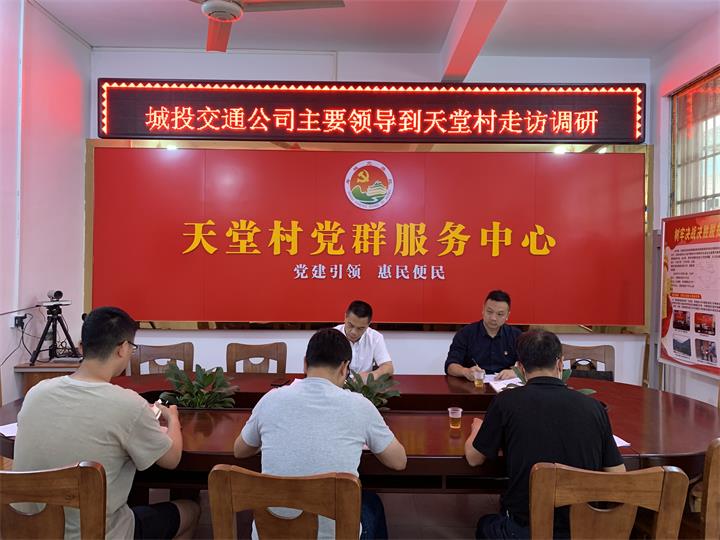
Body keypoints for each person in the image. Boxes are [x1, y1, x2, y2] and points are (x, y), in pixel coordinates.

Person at [13, 306, 199, 540]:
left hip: (25, 532)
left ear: (82, 346)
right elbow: (172, 459)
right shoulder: (129, 405)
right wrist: (173, 420)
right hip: (94, 534)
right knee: (191, 510)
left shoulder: (36, 393)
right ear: (123, 348)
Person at [234, 328, 407, 539]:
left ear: (305, 363)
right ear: (344, 368)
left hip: (270, 533)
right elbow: (398, 462)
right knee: (372, 503)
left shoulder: (271, 399)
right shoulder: (360, 405)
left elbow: (240, 450)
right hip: (336, 535)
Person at [464, 329, 625, 539]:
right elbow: (618, 475)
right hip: (583, 530)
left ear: (520, 368)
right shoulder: (594, 408)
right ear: (560, 363)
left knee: (484, 524)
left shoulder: (505, 402)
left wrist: (476, 430)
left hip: (525, 530)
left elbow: (474, 459)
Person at [445, 290, 521, 381]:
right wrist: (466, 371)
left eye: (500, 314)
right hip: (472, 385)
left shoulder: (516, 335)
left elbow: (531, 366)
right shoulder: (465, 333)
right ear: (483, 310)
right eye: (489, 312)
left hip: (504, 386)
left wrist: (516, 372)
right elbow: (450, 366)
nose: (493, 318)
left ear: (507, 315)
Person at [335, 300, 394, 381]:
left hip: (363, 386)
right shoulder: (331, 336)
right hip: (335, 385)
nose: (354, 332)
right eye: (350, 325)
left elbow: (389, 367)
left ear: (368, 324)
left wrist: (372, 375)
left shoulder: (375, 337)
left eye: (360, 328)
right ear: (345, 317)